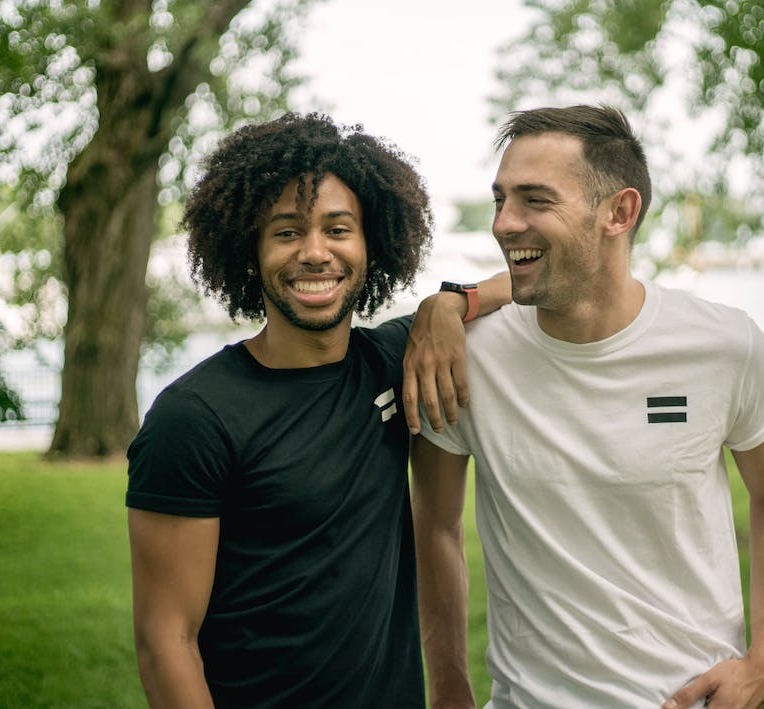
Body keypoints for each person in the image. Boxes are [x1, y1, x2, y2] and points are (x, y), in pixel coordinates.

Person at [410, 105, 764, 709]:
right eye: (500, 200)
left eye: (535, 201)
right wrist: (447, 689)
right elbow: (434, 525)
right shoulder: (466, 358)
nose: (504, 224)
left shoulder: (725, 345)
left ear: (619, 212)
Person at [125, 113, 507, 708]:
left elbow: (525, 283)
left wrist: (449, 301)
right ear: (249, 253)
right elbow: (165, 639)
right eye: (285, 233)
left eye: (337, 229)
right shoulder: (194, 417)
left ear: (369, 245)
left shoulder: (394, 362)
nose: (314, 253)